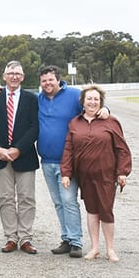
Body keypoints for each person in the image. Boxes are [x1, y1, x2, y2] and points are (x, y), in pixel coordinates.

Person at [37, 64, 109, 259]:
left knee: (68, 200)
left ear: (58, 80)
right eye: (44, 81)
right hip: (47, 161)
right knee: (58, 202)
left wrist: (105, 109)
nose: (47, 83)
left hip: (69, 160)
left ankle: (76, 241)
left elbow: (92, 106)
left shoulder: (74, 95)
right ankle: (67, 239)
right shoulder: (38, 99)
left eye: (50, 80)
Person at [60, 85, 132, 262]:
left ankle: (110, 249)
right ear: (82, 102)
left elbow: (122, 149)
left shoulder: (111, 121)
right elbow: (68, 149)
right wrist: (66, 173)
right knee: (91, 211)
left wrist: (122, 172)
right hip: (85, 176)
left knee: (106, 211)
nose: (92, 102)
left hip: (106, 175)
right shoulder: (74, 123)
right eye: (89, 99)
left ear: (101, 102)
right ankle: (94, 248)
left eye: (96, 99)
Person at [0, 61, 40, 254]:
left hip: (24, 156)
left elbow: (35, 127)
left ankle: (25, 238)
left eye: (18, 73)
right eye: (11, 73)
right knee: (6, 198)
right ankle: (11, 237)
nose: (14, 76)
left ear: (23, 77)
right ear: (4, 76)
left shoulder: (31, 99)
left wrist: (18, 149)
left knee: (27, 198)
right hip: (0, 157)